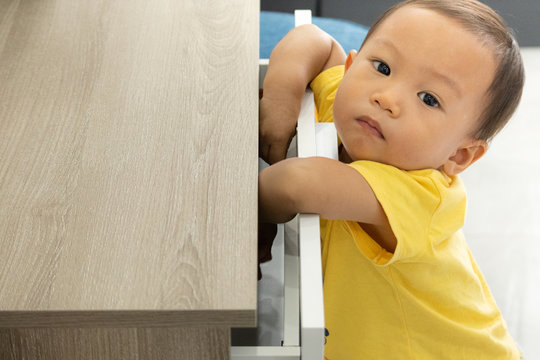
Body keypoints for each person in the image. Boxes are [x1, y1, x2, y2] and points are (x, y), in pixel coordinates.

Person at [258, 0, 525, 358]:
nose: (387, 98)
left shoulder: (420, 197)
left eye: (428, 99)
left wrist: (255, 220)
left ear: (459, 155)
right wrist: (280, 99)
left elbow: (295, 184)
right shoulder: (359, 110)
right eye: (383, 66)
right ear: (351, 66)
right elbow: (313, 40)